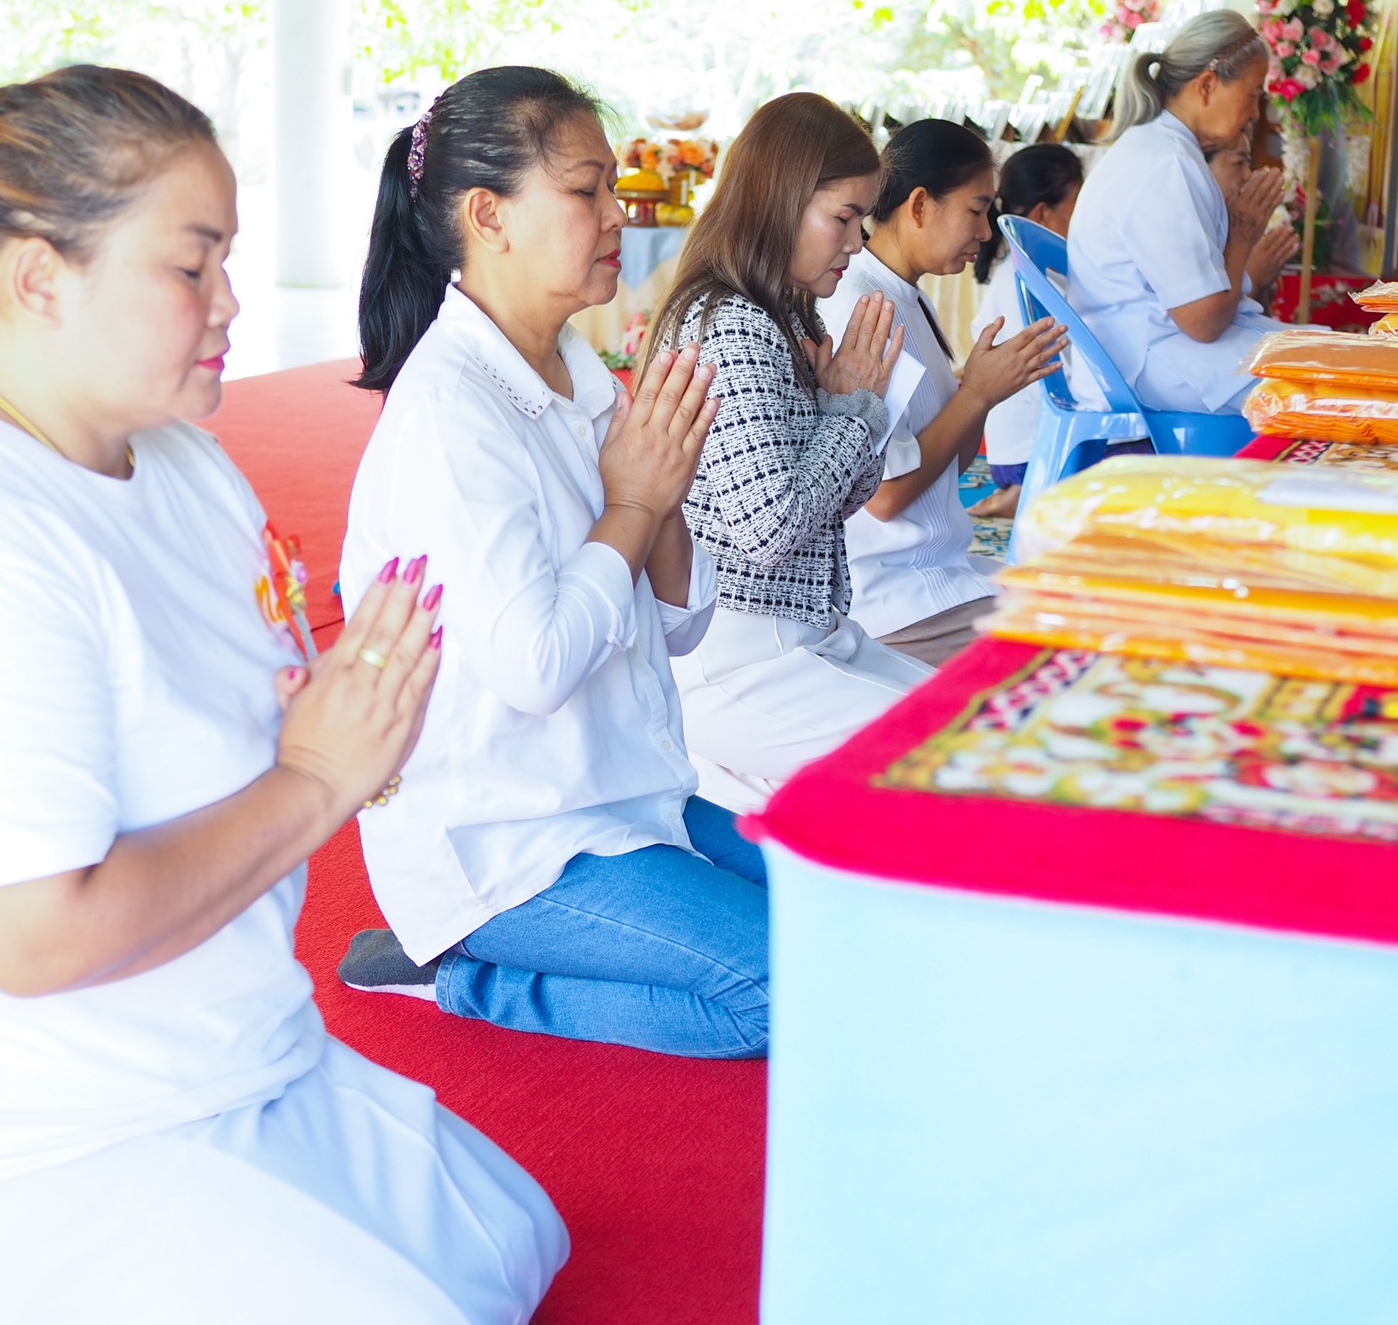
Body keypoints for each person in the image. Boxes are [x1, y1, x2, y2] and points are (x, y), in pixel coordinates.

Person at [0, 65, 564, 1325]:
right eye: (192, 268)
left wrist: (356, 730)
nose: (231, 309)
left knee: (516, 1248)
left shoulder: (184, 460)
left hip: (229, 1053)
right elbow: (36, 941)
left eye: (229, 265)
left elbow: (270, 728)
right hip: (5, 1140)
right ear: (39, 279)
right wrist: (315, 777)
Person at [335, 66, 771, 1060]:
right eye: (585, 190)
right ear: (487, 216)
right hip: (506, 836)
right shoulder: (451, 414)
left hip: (621, 791)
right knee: (790, 993)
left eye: (609, 187)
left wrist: (651, 501)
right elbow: (536, 667)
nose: (617, 214)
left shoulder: (581, 373)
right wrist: (633, 502)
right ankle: (463, 975)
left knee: (850, 922)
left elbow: (678, 625)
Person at [646, 92, 933, 811]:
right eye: (843, 218)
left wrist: (854, 410)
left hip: (802, 633)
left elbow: (842, 497)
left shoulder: (774, 310)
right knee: (947, 754)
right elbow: (769, 528)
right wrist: (852, 410)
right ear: (779, 201)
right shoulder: (732, 325)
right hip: (742, 656)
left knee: (967, 720)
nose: (858, 243)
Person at [818, 120, 1068, 665]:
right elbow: (883, 497)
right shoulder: (864, 306)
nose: (986, 233)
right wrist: (975, 395)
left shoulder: (908, 297)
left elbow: (949, 460)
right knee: (1078, 646)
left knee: (1085, 605)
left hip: (938, 568)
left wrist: (982, 393)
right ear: (920, 206)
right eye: (976, 211)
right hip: (894, 595)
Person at [1066, 8, 1286, 416]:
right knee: (1330, 385)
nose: (1256, 113)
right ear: (1207, 86)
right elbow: (1203, 323)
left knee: (1328, 354)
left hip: (1157, 352)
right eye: (1253, 94)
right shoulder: (1165, 163)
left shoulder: (1162, 149)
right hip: (1148, 364)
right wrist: (1243, 231)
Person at [967, 141, 1085, 519]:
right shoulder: (1022, 279)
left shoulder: (1032, 271)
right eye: (1078, 206)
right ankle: (1026, 489)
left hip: (1023, 449)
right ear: (1043, 214)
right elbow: (1043, 379)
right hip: (1027, 450)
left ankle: (1023, 491)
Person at [1205, 133, 1301, 317]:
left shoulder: (1231, 224)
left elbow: (1257, 321)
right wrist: (1253, 279)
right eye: (1239, 163)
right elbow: (1206, 324)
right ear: (1203, 168)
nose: (1248, 174)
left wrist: (1261, 284)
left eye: (1249, 163)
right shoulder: (1195, 226)